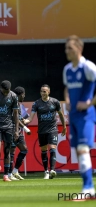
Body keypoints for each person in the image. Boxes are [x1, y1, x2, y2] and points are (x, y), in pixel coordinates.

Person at [63, 35, 96, 198]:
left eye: (70, 48)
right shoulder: (67, 69)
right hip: (73, 116)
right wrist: (68, 100)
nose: (67, 51)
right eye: (66, 48)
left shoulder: (88, 67)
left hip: (86, 116)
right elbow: (67, 88)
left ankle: (88, 189)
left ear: (79, 49)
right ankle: (89, 189)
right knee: (79, 151)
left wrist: (89, 103)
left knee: (83, 150)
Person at [23, 85, 66, 180]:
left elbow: (61, 115)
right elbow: (31, 117)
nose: (43, 93)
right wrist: (26, 121)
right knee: (43, 151)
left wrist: (64, 127)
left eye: (45, 91)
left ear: (49, 92)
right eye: (42, 91)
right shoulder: (36, 104)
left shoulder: (55, 102)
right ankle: (46, 171)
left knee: (53, 148)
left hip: (52, 129)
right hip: (42, 131)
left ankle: (52, 170)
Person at [9, 86, 31, 181]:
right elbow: (15, 119)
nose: (24, 97)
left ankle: (15, 171)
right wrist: (25, 128)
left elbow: (18, 118)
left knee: (24, 150)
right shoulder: (13, 103)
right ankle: (9, 174)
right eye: (24, 95)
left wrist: (23, 120)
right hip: (12, 130)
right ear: (20, 94)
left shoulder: (18, 104)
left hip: (18, 130)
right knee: (12, 152)